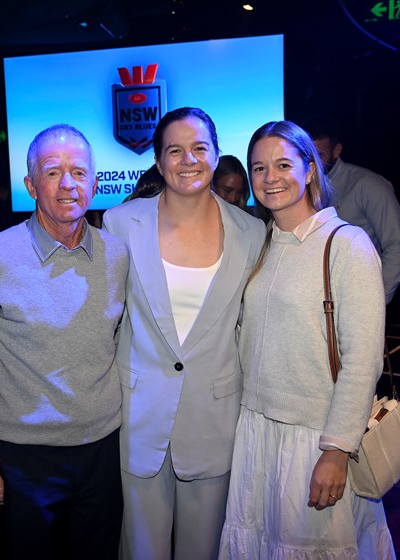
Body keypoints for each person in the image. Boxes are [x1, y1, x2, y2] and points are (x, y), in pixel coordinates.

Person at [218, 120, 396, 558]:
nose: (269, 178)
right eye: (258, 169)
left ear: (311, 169)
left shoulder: (347, 244)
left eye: (282, 164)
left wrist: (336, 450)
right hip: (257, 431)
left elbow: (363, 360)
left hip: (313, 438)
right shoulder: (261, 242)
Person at [102, 107, 267, 560]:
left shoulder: (252, 234)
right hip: (139, 417)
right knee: (140, 550)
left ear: (216, 156)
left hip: (214, 420)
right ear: (158, 161)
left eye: (199, 148)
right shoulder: (120, 223)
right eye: (175, 149)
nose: (187, 158)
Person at [0, 124, 129, 560]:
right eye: (53, 172)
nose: (67, 184)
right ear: (30, 185)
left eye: (79, 172)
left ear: (95, 183)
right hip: (26, 457)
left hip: (104, 448)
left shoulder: (117, 255)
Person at [304, 117, 400, 304]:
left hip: (354, 299)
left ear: (336, 151)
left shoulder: (369, 185)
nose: (312, 163)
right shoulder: (299, 187)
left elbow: (398, 248)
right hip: (310, 301)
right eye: (307, 155)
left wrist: (373, 302)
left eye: (319, 155)